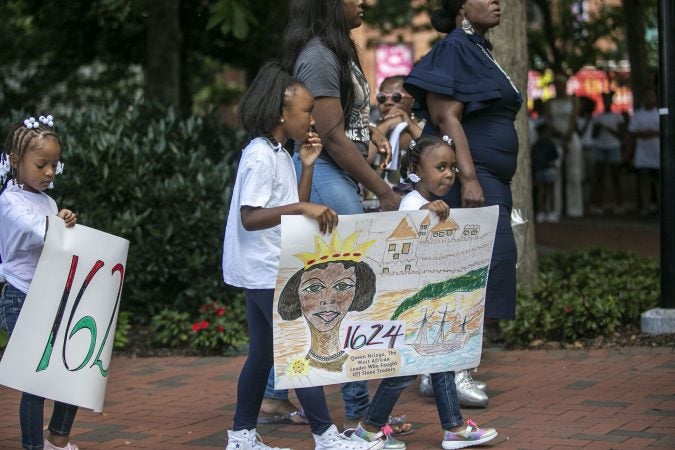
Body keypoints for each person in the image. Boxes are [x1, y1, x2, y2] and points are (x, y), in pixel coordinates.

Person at [221, 61, 383, 450]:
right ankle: (326, 437)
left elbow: (297, 203)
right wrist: (299, 210)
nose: (312, 119)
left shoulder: (280, 152)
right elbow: (250, 217)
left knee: (261, 355)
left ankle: (242, 436)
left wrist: (307, 166)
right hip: (263, 269)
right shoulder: (260, 154)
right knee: (299, 353)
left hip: (267, 267)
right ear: (281, 112)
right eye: (306, 111)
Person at [280, 0, 404, 432]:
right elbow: (330, 137)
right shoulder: (318, 56)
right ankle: (358, 411)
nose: (367, 1)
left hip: (336, 173)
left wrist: (370, 129)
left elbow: (342, 120)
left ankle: (273, 395)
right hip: (323, 174)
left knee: (327, 285)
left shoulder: (337, 49)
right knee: (347, 288)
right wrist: (382, 189)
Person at [403, 0, 521, 409]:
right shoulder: (455, 45)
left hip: (489, 178)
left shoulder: (476, 48)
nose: (496, 2)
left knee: (482, 266)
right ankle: (453, 371)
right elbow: (444, 115)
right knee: (479, 268)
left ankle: (436, 371)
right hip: (475, 179)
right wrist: (469, 177)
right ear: (460, 9)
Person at [351, 134, 498, 450]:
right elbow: (406, 246)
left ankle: (454, 429)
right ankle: (368, 429)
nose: (449, 174)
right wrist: (426, 216)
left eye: (452, 168)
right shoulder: (414, 204)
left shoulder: (431, 204)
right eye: (441, 167)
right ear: (417, 168)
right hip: (411, 306)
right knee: (404, 372)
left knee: (442, 362)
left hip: (428, 303)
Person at [0, 115, 79, 450]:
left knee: (71, 368)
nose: (50, 172)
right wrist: (60, 223)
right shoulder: (8, 202)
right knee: (36, 380)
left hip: (48, 294)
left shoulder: (46, 201)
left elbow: (57, 239)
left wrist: (65, 220)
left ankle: (56, 441)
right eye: (42, 164)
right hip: (19, 296)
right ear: (16, 161)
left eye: (55, 165)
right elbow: (39, 230)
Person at [278, 232, 377, 372]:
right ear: (295, 294)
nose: (328, 299)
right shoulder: (291, 365)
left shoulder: (360, 362)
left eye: (342, 286)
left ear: (357, 293)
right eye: (314, 288)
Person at [370, 75, 425, 189]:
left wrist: (409, 125)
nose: (388, 102)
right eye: (382, 98)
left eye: (396, 97)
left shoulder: (422, 126)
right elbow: (363, 160)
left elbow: (432, 154)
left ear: (411, 101)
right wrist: (386, 125)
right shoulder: (371, 129)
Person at [544, 75, 584, 219]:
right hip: (555, 139)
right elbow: (548, 121)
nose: (558, 88)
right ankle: (555, 208)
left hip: (570, 138)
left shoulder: (573, 100)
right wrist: (558, 135)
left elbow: (573, 119)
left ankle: (575, 208)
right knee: (554, 174)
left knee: (574, 173)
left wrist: (567, 136)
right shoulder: (549, 102)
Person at [588, 92, 625, 214]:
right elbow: (593, 135)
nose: (607, 102)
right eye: (605, 100)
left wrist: (607, 128)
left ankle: (619, 204)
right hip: (600, 147)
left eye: (609, 100)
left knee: (615, 176)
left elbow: (621, 134)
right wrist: (599, 127)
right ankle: (598, 204)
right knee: (599, 177)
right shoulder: (597, 117)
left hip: (614, 147)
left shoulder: (618, 116)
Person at [628, 88, 660, 216]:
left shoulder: (659, 113)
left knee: (659, 182)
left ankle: (661, 207)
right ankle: (646, 207)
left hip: (658, 154)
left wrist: (652, 132)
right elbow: (632, 132)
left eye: (653, 96)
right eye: (648, 96)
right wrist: (645, 133)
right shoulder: (638, 114)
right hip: (643, 156)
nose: (651, 99)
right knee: (644, 182)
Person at [531, 123, 560, 223]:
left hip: (547, 170)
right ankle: (542, 212)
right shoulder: (537, 146)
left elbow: (555, 156)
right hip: (541, 170)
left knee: (549, 191)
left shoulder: (548, 144)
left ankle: (550, 211)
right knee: (542, 191)